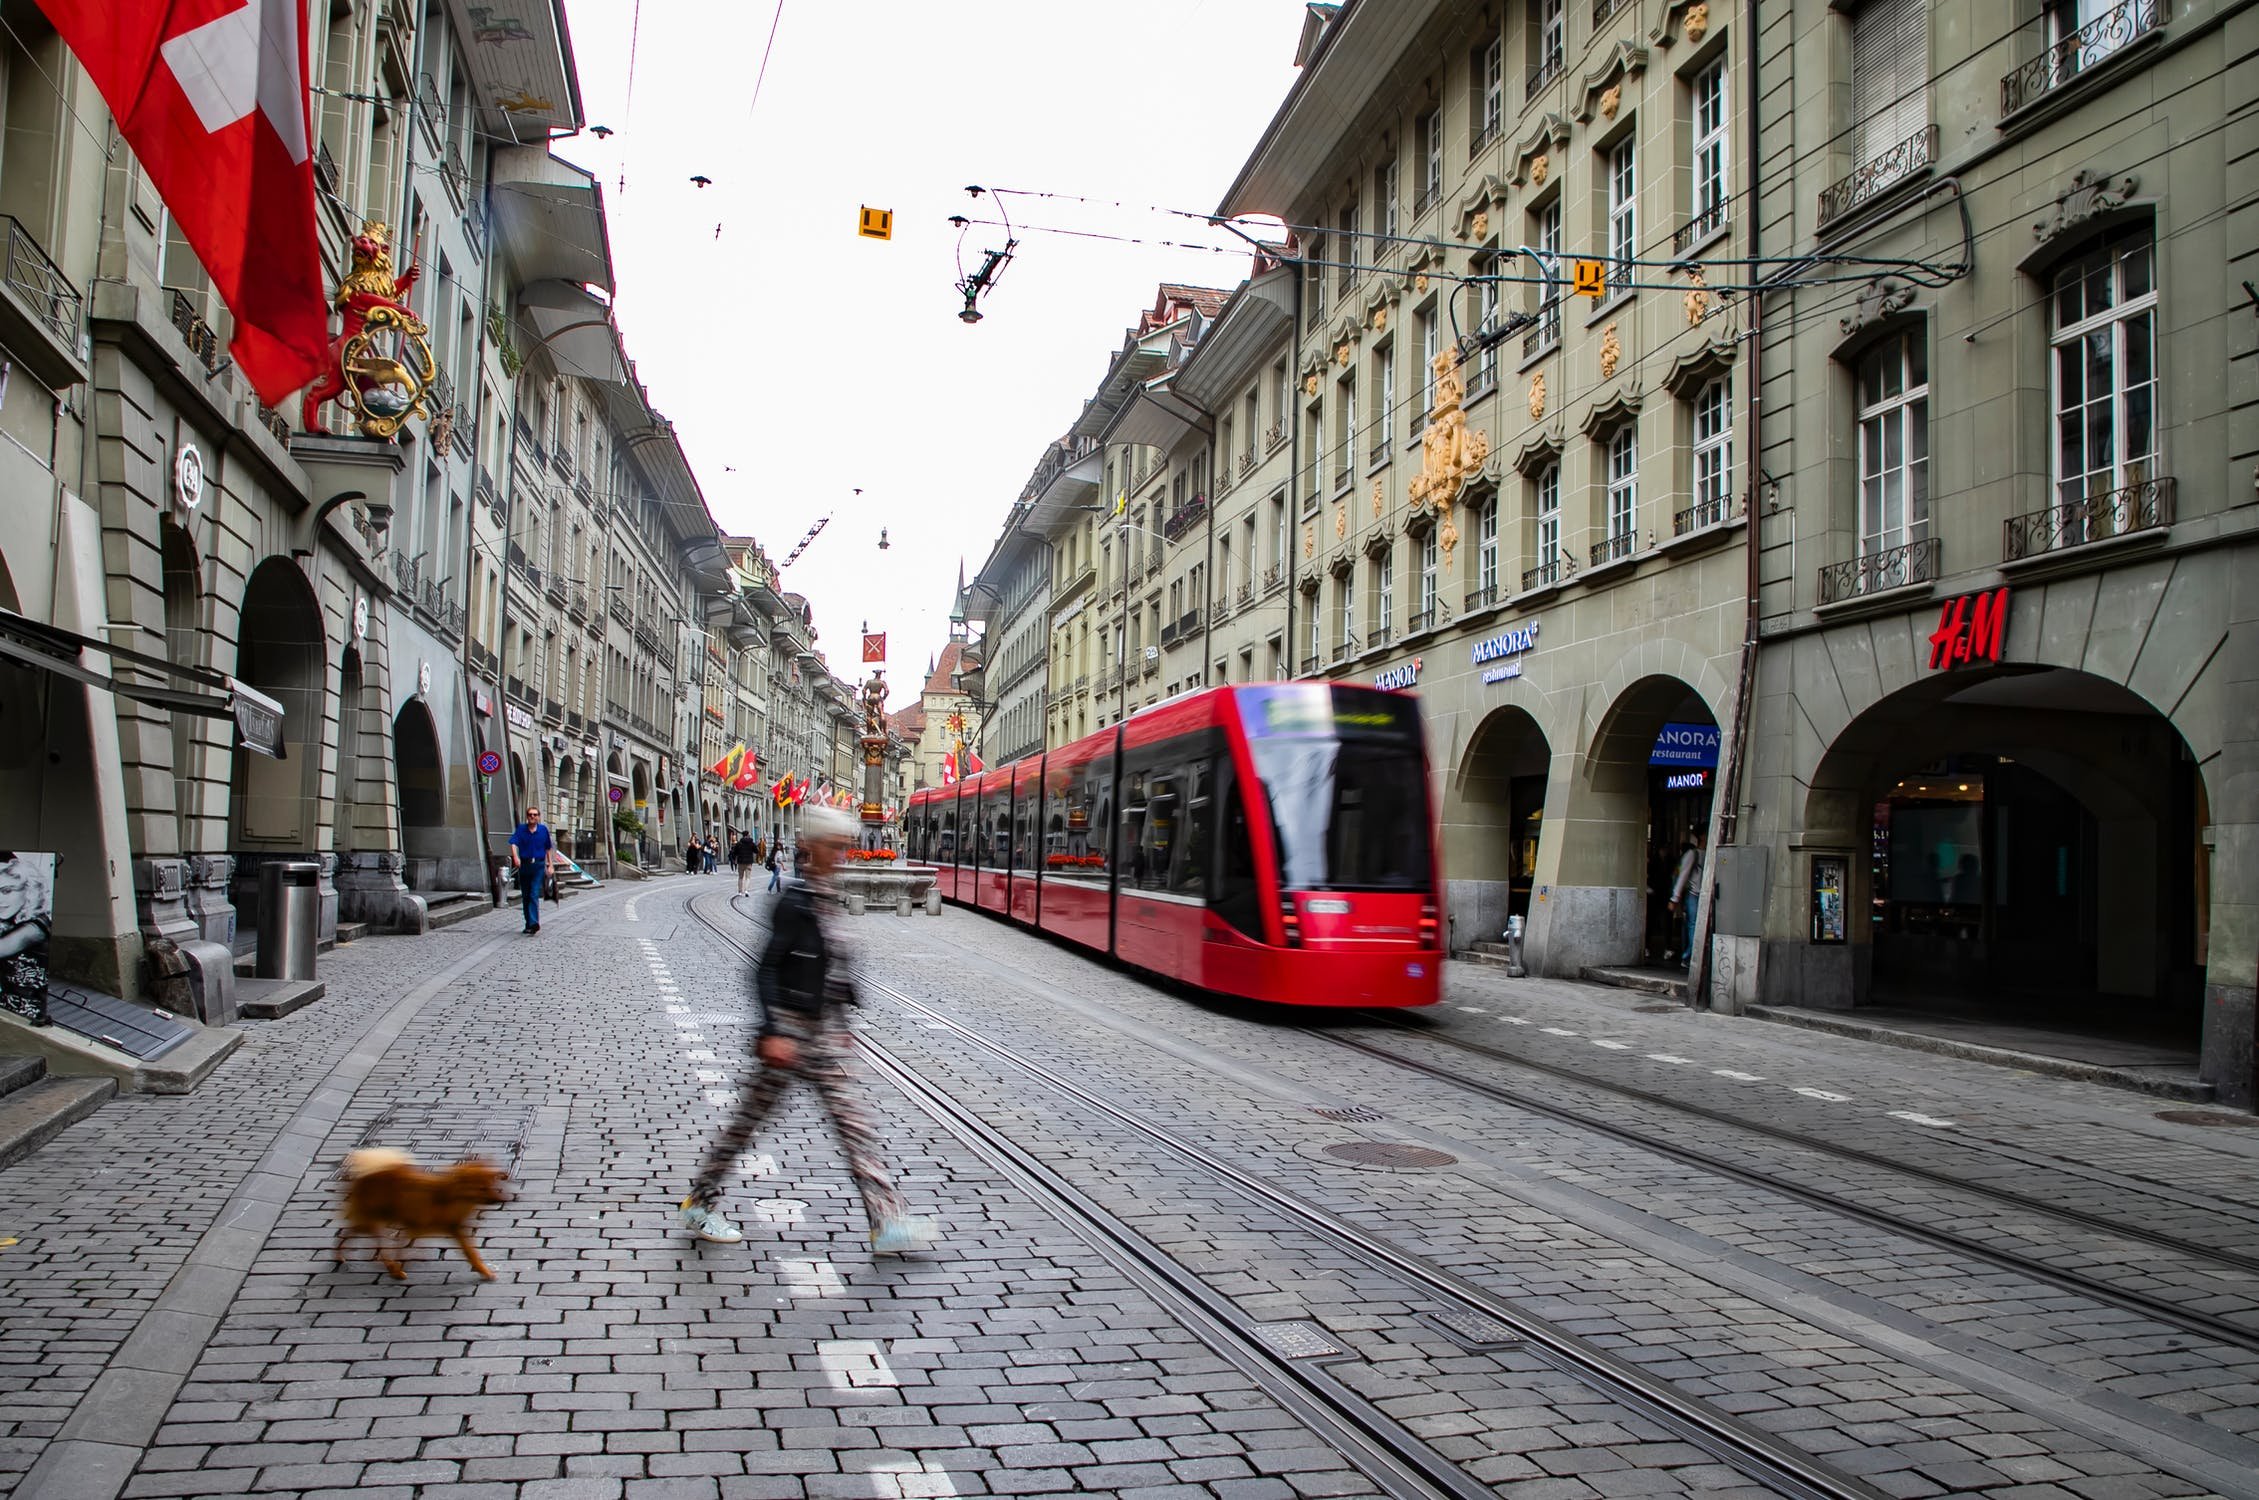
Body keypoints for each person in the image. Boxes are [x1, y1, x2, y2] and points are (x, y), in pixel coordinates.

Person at [680, 805, 934, 1253]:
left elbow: (832, 964)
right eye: (834, 847)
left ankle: (886, 1222)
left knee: (854, 1126)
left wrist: (843, 1013)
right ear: (812, 848)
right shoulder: (795, 903)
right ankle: (700, 1202)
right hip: (791, 1033)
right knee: (746, 1124)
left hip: (824, 1036)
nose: (842, 855)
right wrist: (773, 1029)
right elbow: (765, 970)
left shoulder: (826, 896)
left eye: (844, 847)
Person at [508, 806, 554, 934]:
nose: (532, 817)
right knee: (526, 895)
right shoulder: (521, 829)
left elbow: (548, 848)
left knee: (534, 893)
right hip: (525, 865)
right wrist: (515, 857)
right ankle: (529, 923)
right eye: (530, 815)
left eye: (535, 815)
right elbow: (513, 843)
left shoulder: (543, 830)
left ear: (538, 817)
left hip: (538, 865)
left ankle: (534, 922)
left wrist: (550, 865)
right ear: (527, 817)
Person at [1667, 824, 1705, 972]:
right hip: (1693, 895)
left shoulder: (1710, 853)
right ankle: (1688, 957)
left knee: (1696, 927)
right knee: (1693, 927)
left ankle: (1693, 957)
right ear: (1701, 836)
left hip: (1705, 895)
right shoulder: (1693, 854)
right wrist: (1674, 898)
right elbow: (1682, 876)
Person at [732, 828, 760, 894]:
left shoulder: (739, 843)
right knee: (748, 877)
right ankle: (746, 890)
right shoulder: (751, 843)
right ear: (747, 835)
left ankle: (740, 891)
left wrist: (735, 859)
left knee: (740, 877)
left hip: (740, 862)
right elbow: (757, 851)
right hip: (749, 862)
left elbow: (734, 852)